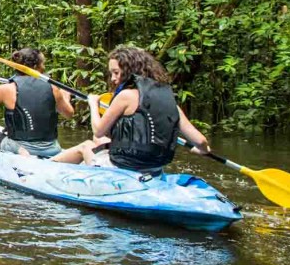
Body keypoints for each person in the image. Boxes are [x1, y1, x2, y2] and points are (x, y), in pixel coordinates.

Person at [51, 46, 212, 172]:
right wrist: (202, 150)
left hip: (122, 168)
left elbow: (98, 130)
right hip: (154, 169)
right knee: (103, 142)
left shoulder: (126, 96)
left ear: (130, 71)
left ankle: (43, 168)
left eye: (116, 72)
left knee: (86, 145)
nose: (113, 78)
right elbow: (201, 141)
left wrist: (94, 104)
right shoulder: (170, 102)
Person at [0, 48, 75, 157]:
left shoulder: (6, 89)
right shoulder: (53, 89)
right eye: (42, 63)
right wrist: (65, 96)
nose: (44, 67)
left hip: (22, 148)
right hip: (52, 149)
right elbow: (69, 114)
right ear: (35, 66)